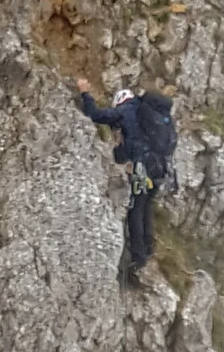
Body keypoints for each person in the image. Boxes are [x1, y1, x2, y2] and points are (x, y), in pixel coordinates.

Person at [76, 85, 177, 271]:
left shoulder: (125, 110)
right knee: (146, 204)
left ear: (119, 101)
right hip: (160, 168)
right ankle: (148, 246)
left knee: (135, 209)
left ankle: (138, 258)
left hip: (143, 167)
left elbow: (96, 115)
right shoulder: (147, 113)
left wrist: (85, 94)